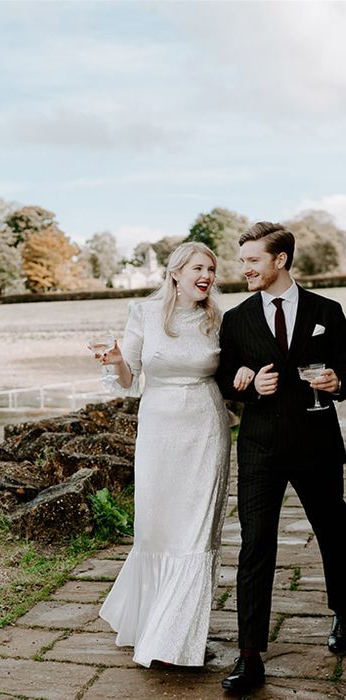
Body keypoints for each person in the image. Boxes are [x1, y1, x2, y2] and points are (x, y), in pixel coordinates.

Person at [216, 221, 346, 693]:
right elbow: (224, 374)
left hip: (319, 448)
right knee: (255, 549)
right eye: (244, 259)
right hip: (260, 450)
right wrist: (246, 383)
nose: (244, 268)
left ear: (280, 260)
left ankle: (343, 616)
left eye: (253, 260)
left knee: (335, 535)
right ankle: (250, 655)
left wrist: (337, 383)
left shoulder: (327, 311)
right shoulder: (237, 318)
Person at [93, 241, 235, 667]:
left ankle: (176, 639)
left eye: (211, 268)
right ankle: (150, 624)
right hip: (158, 430)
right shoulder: (144, 314)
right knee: (157, 528)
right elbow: (128, 378)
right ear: (175, 272)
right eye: (197, 268)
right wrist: (116, 360)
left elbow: (232, 371)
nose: (206, 275)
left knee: (195, 532)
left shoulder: (219, 320)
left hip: (205, 430)